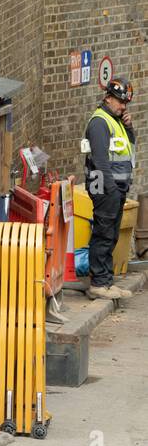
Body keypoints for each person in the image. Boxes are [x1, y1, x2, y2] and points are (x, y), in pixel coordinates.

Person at [85, 78, 136, 301]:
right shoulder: (99, 122)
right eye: (120, 102)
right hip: (105, 187)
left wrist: (129, 127)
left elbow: (129, 148)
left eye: (125, 103)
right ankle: (98, 283)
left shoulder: (115, 121)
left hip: (115, 187)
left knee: (111, 234)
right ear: (108, 98)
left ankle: (105, 281)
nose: (123, 106)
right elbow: (100, 160)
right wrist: (112, 188)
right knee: (103, 234)